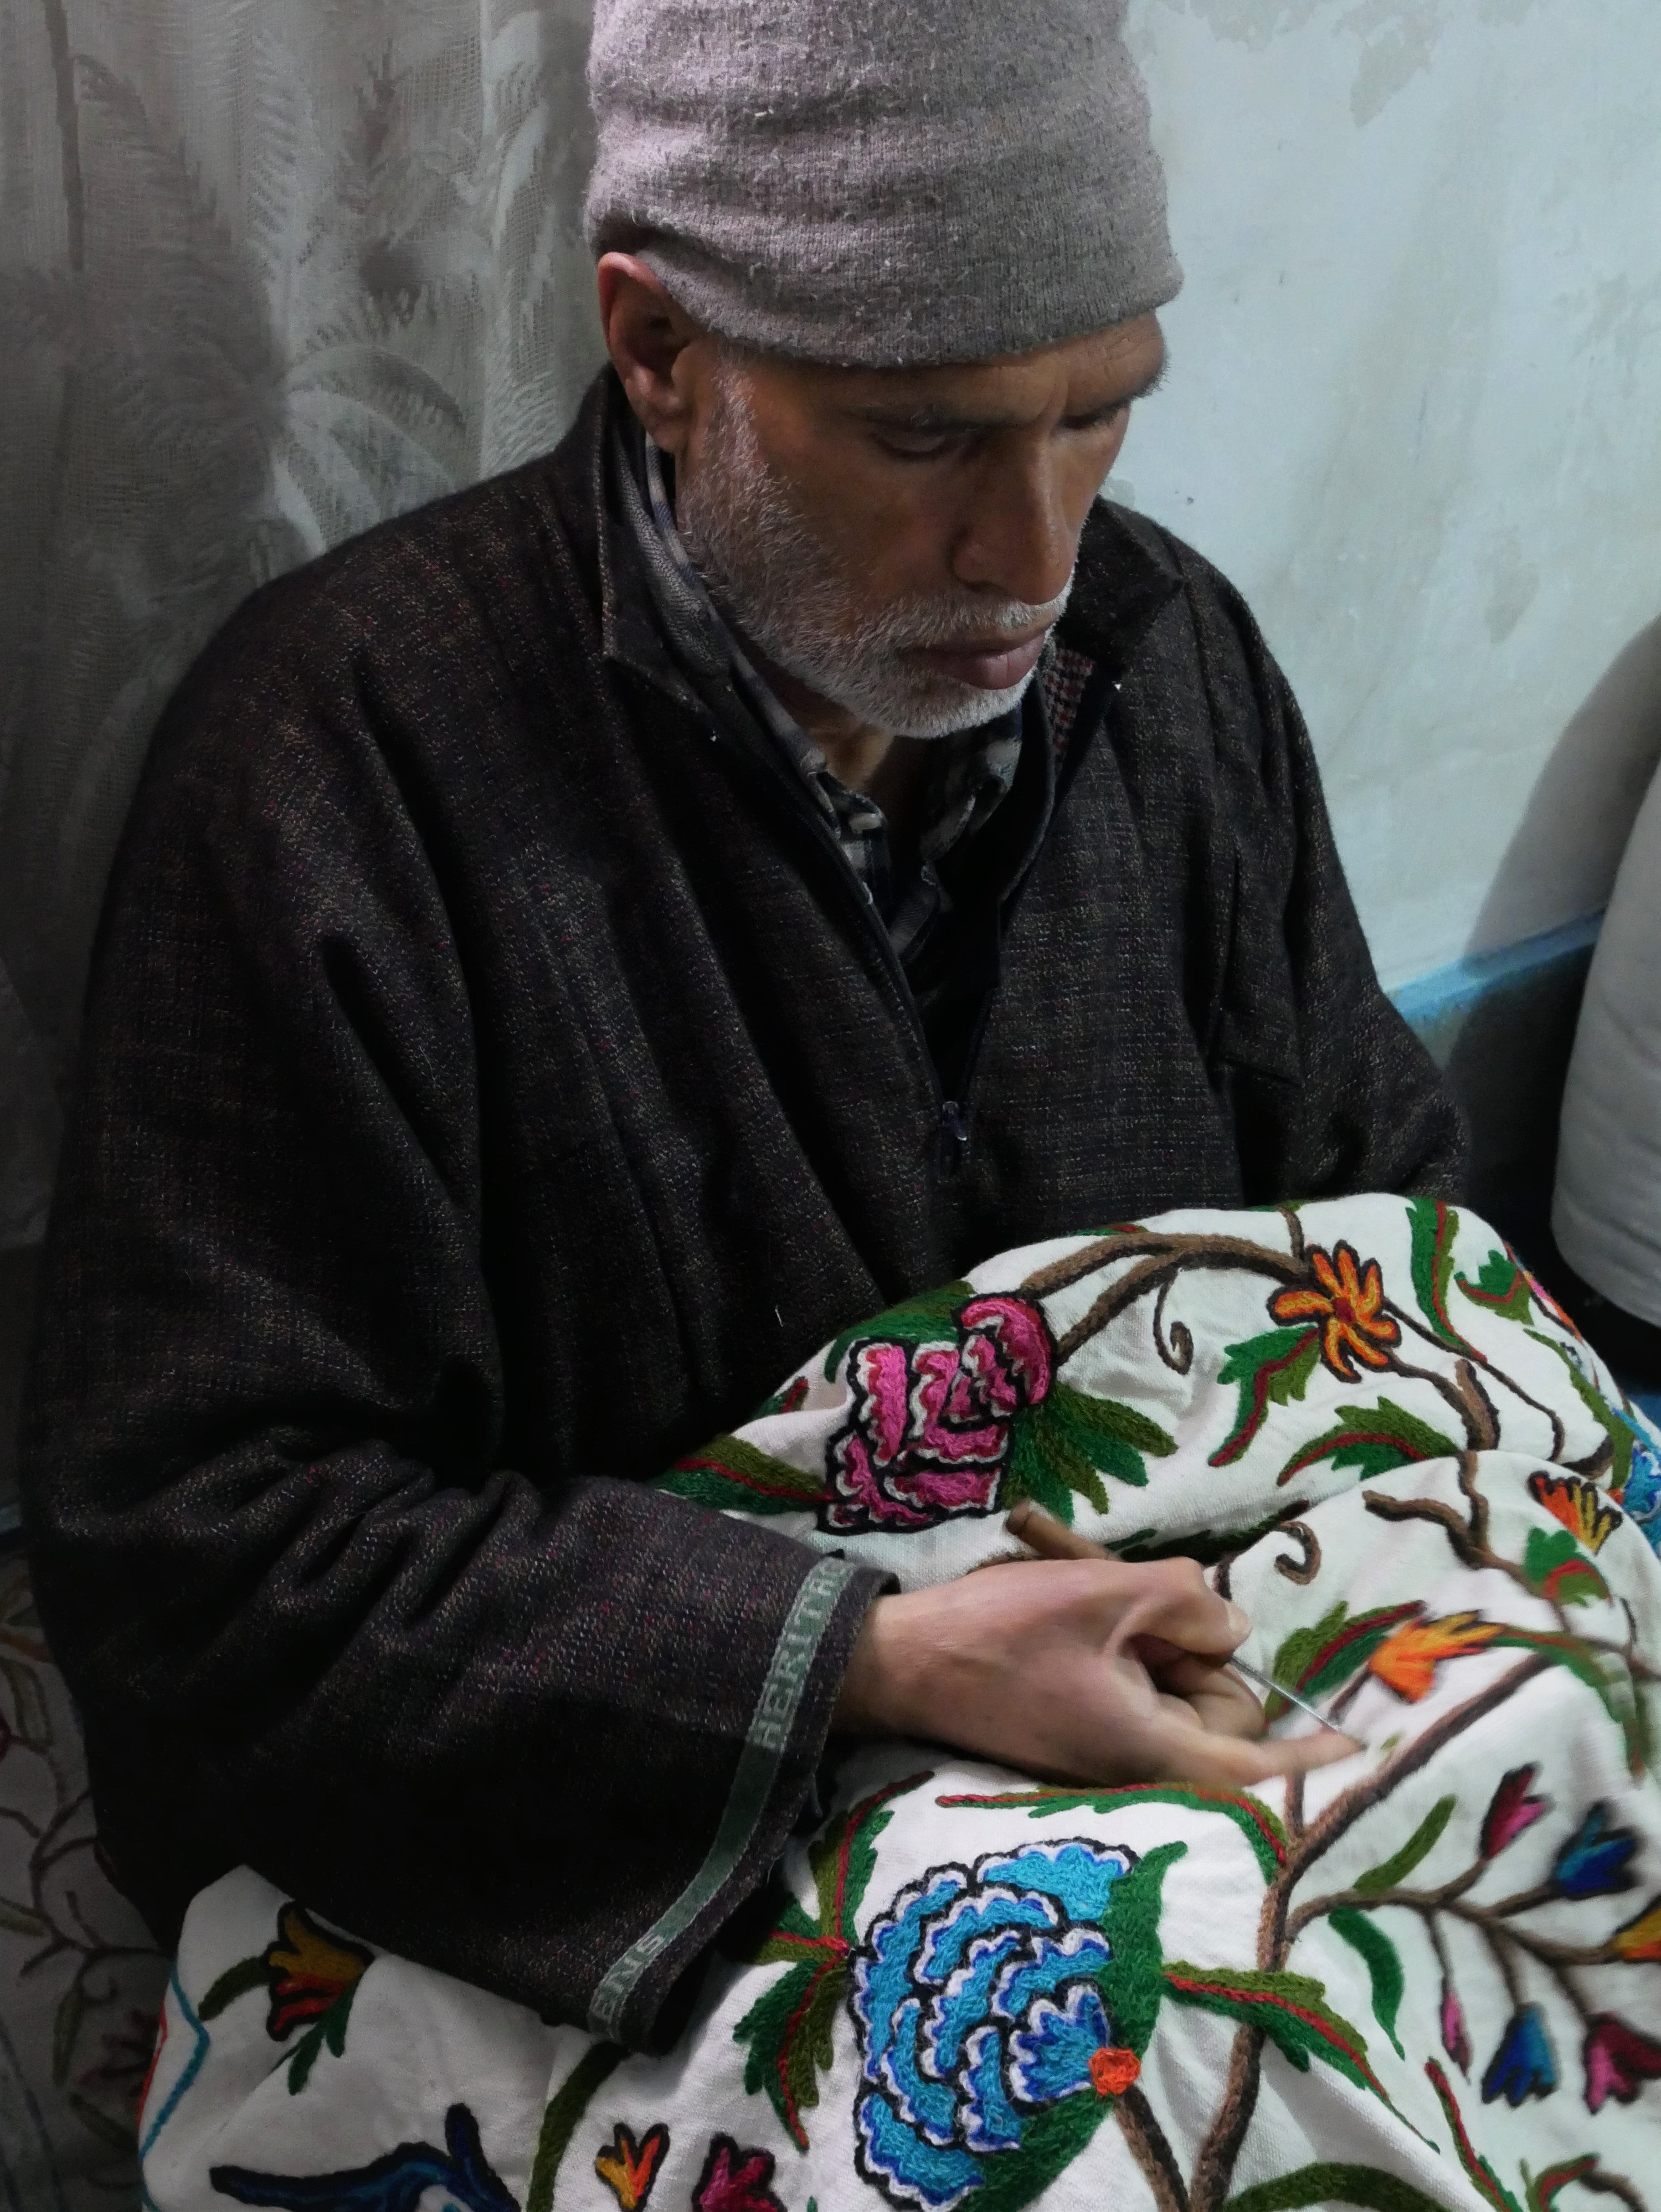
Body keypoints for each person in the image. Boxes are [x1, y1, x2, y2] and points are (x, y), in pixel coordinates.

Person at [21, 0, 1462, 2057]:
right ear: (659, 348)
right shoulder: (340, 771)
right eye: (930, 436)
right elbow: (206, 1570)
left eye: (1099, 414)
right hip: (630, 1903)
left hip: (1180, 1781)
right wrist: (869, 1660)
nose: (1036, 553)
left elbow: (1386, 1227)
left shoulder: (1175, 667)